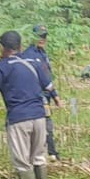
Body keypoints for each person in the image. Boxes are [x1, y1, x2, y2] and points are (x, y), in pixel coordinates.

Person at [0, 30, 54, 179]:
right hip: (39, 114)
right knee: (39, 155)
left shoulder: (3, 66)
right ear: (20, 46)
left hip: (18, 117)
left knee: (22, 160)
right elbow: (49, 86)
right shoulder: (33, 62)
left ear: (2, 47)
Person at [20, 24, 62, 161]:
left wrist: (55, 95)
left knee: (45, 125)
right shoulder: (29, 55)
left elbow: (47, 76)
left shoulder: (42, 53)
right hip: (36, 95)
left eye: (44, 36)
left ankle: (48, 152)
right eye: (39, 36)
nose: (42, 39)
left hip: (46, 94)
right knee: (45, 125)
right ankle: (50, 153)